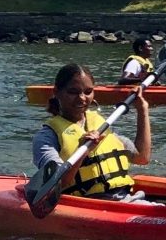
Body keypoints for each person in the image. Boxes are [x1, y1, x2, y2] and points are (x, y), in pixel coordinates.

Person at [32, 63, 150, 201]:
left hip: (125, 199)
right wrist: (82, 151)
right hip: (86, 204)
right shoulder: (46, 137)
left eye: (88, 92)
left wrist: (143, 110)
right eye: (73, 92)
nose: (82, 98)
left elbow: (142, 158)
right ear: (57, 92)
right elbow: (57, 183)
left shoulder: (102, 126)